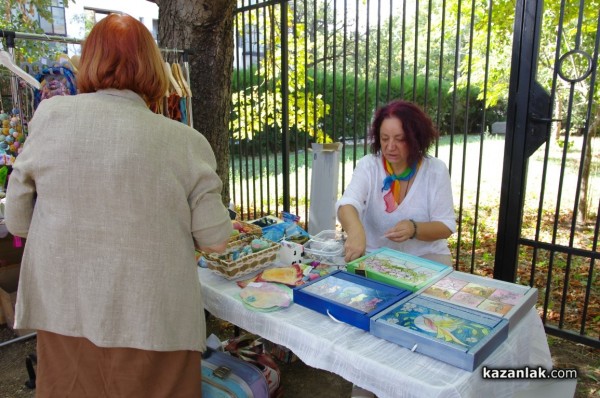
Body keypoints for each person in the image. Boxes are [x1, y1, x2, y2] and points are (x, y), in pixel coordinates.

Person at [4, 14, 232, 397]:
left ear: (89, 62)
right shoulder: (185, 141)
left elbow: (17, 220)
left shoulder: (51, 118)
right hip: (156, 319)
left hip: (67, 312)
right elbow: (215, 240)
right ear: (154, 68)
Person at [337, 99, 456, 266]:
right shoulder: (369, 166)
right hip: (375, 260)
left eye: (400, 139)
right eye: (384, 138)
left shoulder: (435, 170)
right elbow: (347, 204)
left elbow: (446, 226)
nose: (390, 146)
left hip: (427, 260)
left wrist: (414, 229)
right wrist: (356, 232)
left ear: (416, 139)